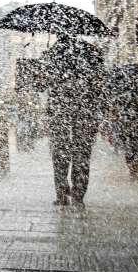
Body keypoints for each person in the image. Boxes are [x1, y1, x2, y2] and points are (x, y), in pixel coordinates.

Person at [40, 35, 107, 208]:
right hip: (86, 110)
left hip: (60, 110)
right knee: (82, 155)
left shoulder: (54, 51)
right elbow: (100, 84)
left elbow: (43, 83)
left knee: (60, 153)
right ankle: (78, 195)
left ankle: (62, 194)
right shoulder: (92, 53)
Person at [107, 65, 138, 181]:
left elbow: (114, 110)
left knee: (131, 146)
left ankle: (133, 168)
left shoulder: (120, 92)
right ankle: (134, 168)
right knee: (136, 145)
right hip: (134, 123)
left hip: (129, 123)